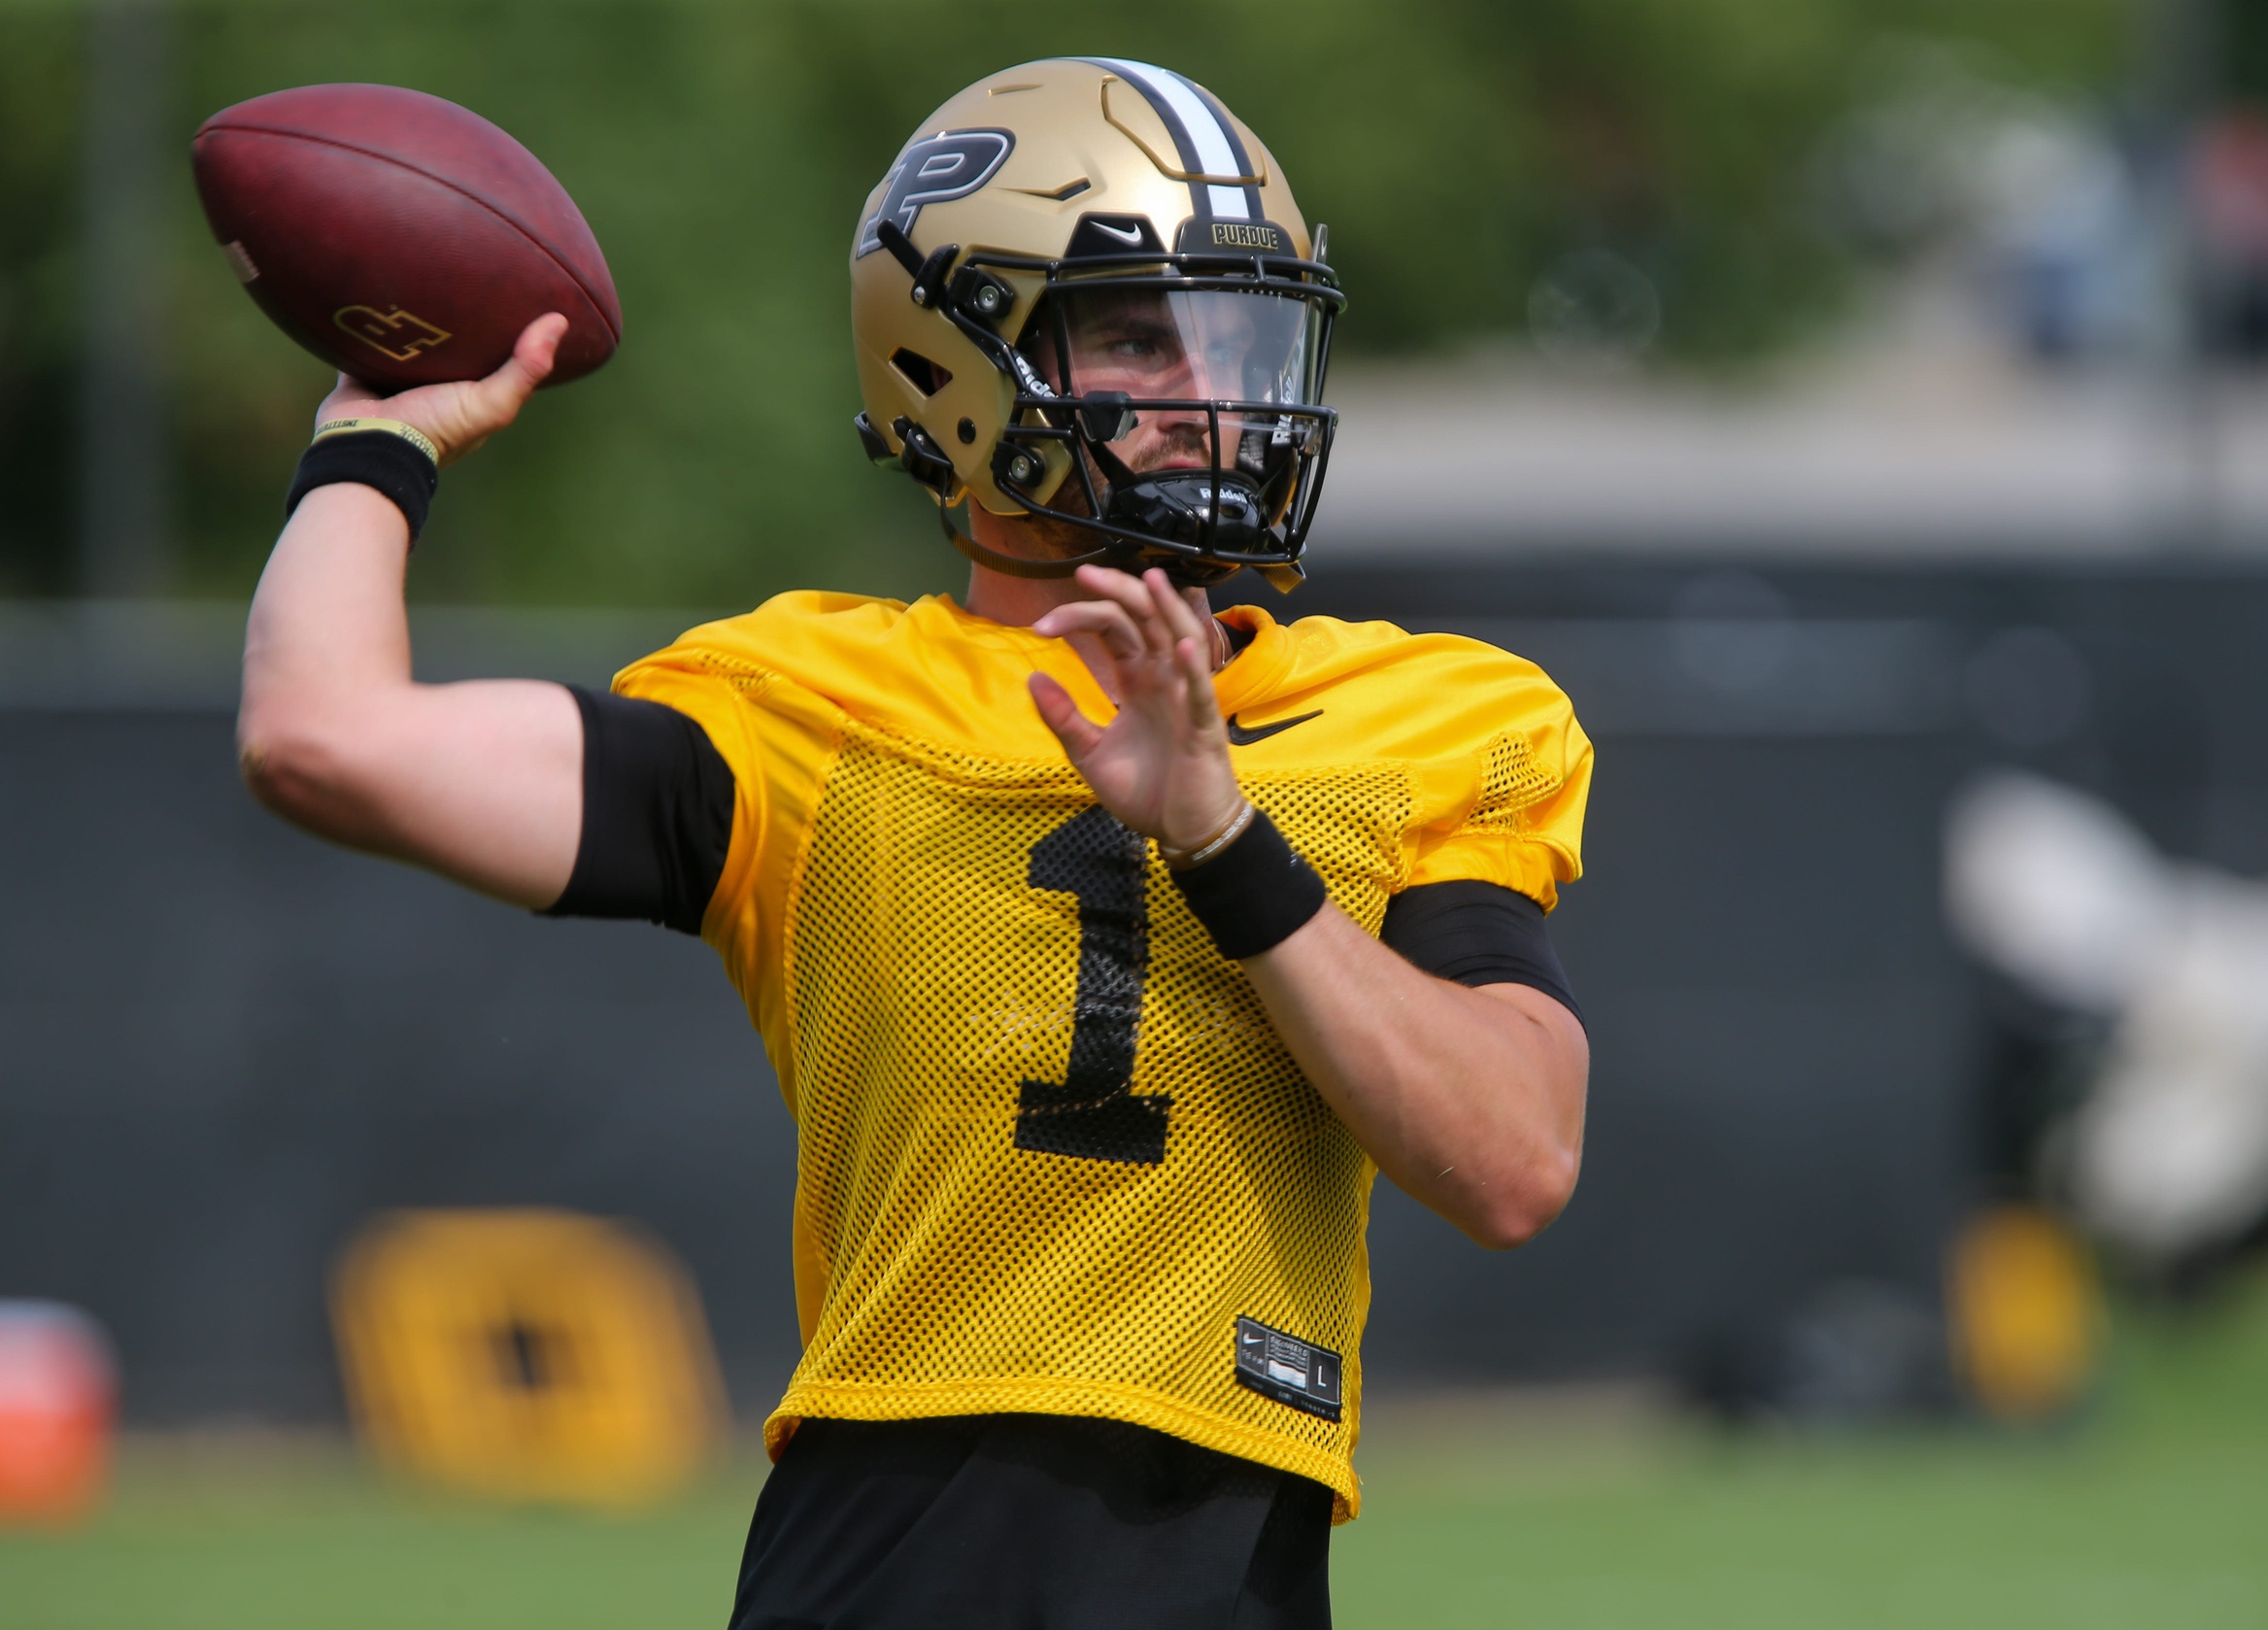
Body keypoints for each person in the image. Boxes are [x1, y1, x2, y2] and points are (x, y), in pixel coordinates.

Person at [239, 57, 1592, 1629]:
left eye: (1231, 331)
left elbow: (1511, 1160)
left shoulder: (1421, 711)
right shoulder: (807, 707)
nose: (1209, 389)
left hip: (1238, 1561)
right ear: (961, 359)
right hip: (903, 1545)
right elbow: (318, 737)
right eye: (1140, 334)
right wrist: (378, 443)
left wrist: (1221, 833)